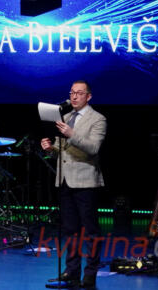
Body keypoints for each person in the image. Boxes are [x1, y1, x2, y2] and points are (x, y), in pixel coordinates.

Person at [41, 80, 106, 289]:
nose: (74, 96)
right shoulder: (67, 117)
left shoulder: (98, 119)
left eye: (79, 93)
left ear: (89, 96)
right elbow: (62, 152)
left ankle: (90, 274)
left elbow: (93, 148)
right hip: (65, 181)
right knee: (70, 231)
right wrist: (50, 149)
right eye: (72, 93)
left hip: (86, 182)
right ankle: (71, 271)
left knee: (91, 232)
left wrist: (71, 134)